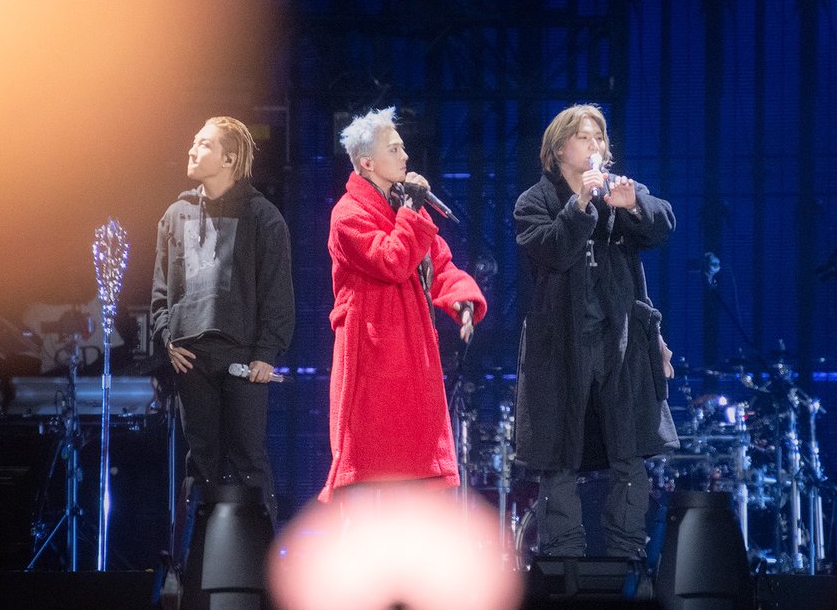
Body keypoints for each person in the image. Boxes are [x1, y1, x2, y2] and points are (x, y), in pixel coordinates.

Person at [512, 103, 676, 565]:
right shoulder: (534, 202)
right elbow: (552, 251)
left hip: (619, 342)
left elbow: (663, 222)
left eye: (600, 137)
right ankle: (562, 557)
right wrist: (580, 204)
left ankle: (627, 554)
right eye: (584, 137)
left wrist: (634, 205)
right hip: (561, 347)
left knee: (628, 449)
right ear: (559, 149)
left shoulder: (619, 190)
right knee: (559, 452)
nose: (595, 145)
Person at [321, 106, 485, 498]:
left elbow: (437, 262)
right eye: (394, 149)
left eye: (403, 147)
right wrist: (411, 212)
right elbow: (391, 260)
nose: (405, 156)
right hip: (373, 351)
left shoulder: (402, 206)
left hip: (412, 351)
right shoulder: (348, 215)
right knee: (374, 466)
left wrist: (461, 299)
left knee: (417, 470)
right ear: (367, 162)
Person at [150, 114, 293, 524]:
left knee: (248, 460)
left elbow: (277, 290)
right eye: (194, 142)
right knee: (201, 464)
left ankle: (258, 556)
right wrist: (167, 338)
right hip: (190, 358)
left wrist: (266, 352)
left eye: (204, 144)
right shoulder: (176, 214)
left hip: (243, 356)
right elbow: (160, 288)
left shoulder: (262, 217)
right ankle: (201, 556)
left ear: (229, 159)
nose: (192, 150)